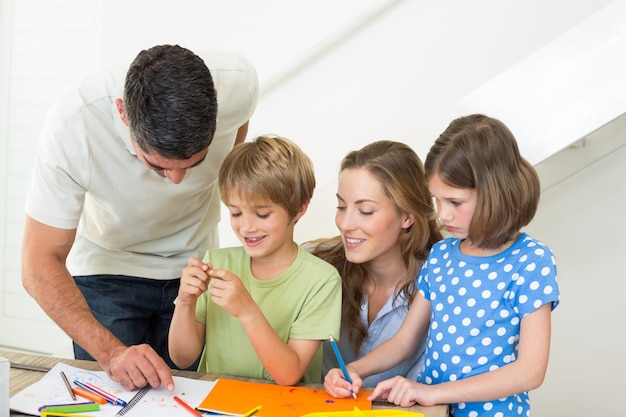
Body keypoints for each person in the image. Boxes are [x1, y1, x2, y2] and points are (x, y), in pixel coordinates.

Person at [21, 44, 258, 391]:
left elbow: (236, 138)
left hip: (194, 268)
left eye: (193, 163)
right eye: (158, 166)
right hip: (108, 270)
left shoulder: (239, 85)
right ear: (123, 113)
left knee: (187, 398)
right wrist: (110, 353)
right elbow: (37, 264)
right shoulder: (74, 125)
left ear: (218, 102)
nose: (177, 181)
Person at [324, 114, 560, 417]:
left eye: (455, 202)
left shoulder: (531, 260)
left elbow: (530, 372)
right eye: (436, 200)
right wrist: (353, 370)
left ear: (494, 192)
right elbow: (404, 342)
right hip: (437, 411)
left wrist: (432, 392)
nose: (442, 215)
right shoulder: (441, 255)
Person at [168, 135, 342, 385]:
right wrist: (185, 301)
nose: (247, 227)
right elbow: (182, 359)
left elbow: (289, 374)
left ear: (299, 208)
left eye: (262, 214)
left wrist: (248, 311)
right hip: (217, 404)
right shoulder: (217, 263)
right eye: (235, 212)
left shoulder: (321, 280)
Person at [304, 140, 442, 386]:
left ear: (408, 217)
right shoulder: (315, 266)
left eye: (365, 211)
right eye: (341, 206)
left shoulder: (441, 285)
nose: (345, 224)